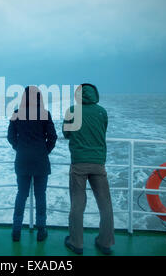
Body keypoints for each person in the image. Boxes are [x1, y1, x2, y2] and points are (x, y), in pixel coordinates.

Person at [62, 83, 115, 255]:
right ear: (95, 94)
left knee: (78, 205)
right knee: (105, 204)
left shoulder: (72, 110)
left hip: (78, 164)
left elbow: (66, 133)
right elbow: (103, 131)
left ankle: (76, 243)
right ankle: (105, 242)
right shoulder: (102, 112)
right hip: (98, 163)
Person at [7, 86, 57, 242]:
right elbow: (53, 137)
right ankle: (41, 231)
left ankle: (16, 231)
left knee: (21, 195)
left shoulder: (16, 113)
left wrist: (19, 148)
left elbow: (10, 136)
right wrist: (44, 151)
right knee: (40, 196)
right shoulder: (44, 114)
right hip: (40, 160)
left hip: (22, 159)